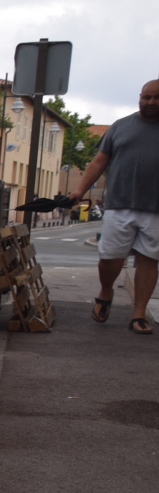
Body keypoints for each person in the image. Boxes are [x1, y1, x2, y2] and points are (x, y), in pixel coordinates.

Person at [69, 79, 159, 334]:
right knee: (109, 259)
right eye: (147, 97)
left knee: (149, 260)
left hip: (156, 209)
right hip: (120, 204)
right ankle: (106, 291)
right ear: (139, 97)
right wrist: (79, 191)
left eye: (157, 98)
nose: (151, 102)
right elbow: (99, 162)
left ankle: (138, 314)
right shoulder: (121, 126)